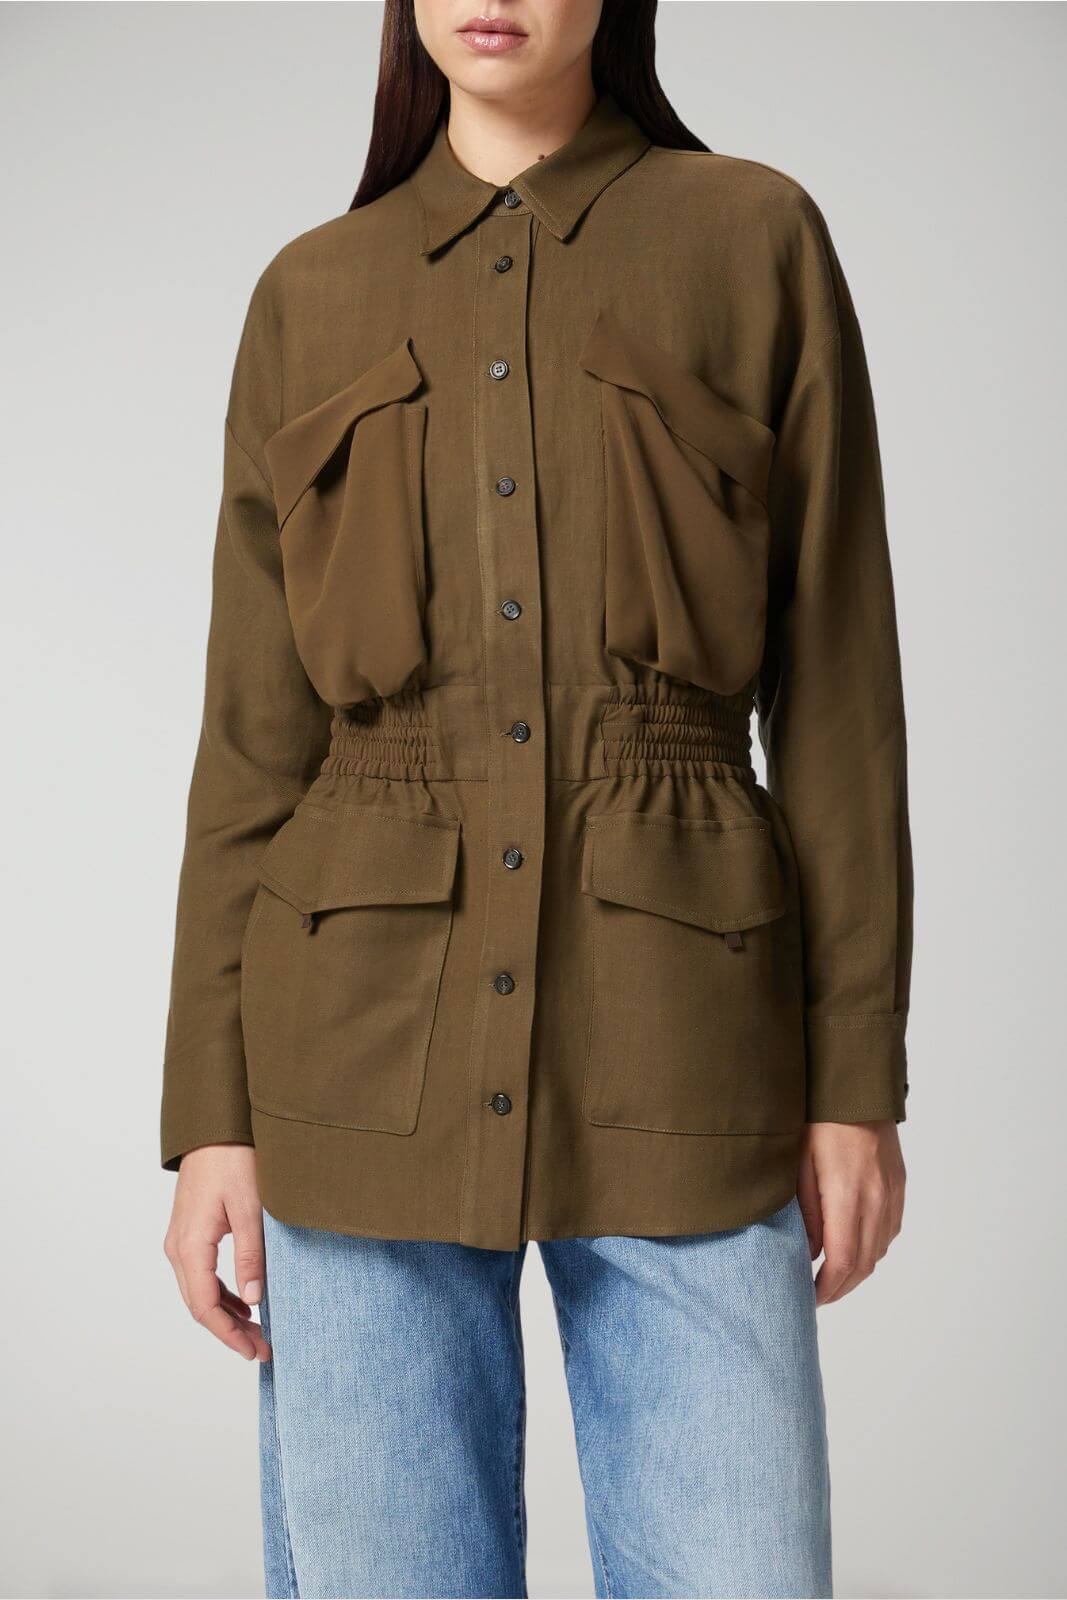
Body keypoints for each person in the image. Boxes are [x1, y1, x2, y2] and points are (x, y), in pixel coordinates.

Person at [161, 2, 911, 1595]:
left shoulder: (752, 238)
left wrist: (856, 1080)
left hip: (686, 1039)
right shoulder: (311, 292)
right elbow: (252, 743)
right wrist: (210, 1119)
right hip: (352, 1056)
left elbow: (842, 691)